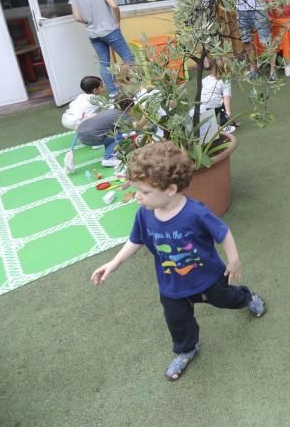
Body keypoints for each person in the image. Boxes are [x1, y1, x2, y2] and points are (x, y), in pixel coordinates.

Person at [90, 141, 267, 381]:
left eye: (144, 192)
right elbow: (136, 239)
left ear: (170, 189)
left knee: (227, 299)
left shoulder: (196, 212)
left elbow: (223, 232)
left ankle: (248, 298)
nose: (137, 198)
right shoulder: (144, 213)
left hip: (207, 278)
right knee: (177, 321)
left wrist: (233, 261)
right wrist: (114, 263)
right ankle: (186, 349)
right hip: (171, 285)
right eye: (137, 191)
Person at [69, 0, 135, 94]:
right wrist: (117, 22)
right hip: (111, 30)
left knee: (104, 63)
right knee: (129, 59)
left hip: (94, 35)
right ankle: (131, 86)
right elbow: (114, 6)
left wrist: (88, 21)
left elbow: (76, 17)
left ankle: (112, 93)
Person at [236, 0, 276, 82]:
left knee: (266, 41)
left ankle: (273, 71)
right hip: (241, 9)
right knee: (246, 40)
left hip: (258, 8)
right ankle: (253, 69)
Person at [61, 75, 105, 172]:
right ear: (95, 90)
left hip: (66, 118)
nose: (104, 86)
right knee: (101, 117)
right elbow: (109, 107)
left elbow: (71, 105)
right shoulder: (96, 99)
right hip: (76, 120)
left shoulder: (81, 96)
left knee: (89, 115)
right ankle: (96, 141)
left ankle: (84, 132)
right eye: (102, 86)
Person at [75, 95, 134, 168]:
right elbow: (136, 127)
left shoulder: (110, 110)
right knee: (117, 136)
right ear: (129, 108)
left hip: (81, 131)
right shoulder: (123, 115)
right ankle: (108, 159)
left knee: (112, 131)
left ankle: (102, 145)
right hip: (90, 136)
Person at [199, 58, 236, 133]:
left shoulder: (207, 78)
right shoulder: (225, 81)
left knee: (212, 111)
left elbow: (201, 87)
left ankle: (212, 126)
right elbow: (226, 98)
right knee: (223, 104)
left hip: (204, 103)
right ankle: (224, 126)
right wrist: (228, 111)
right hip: (214, 103)